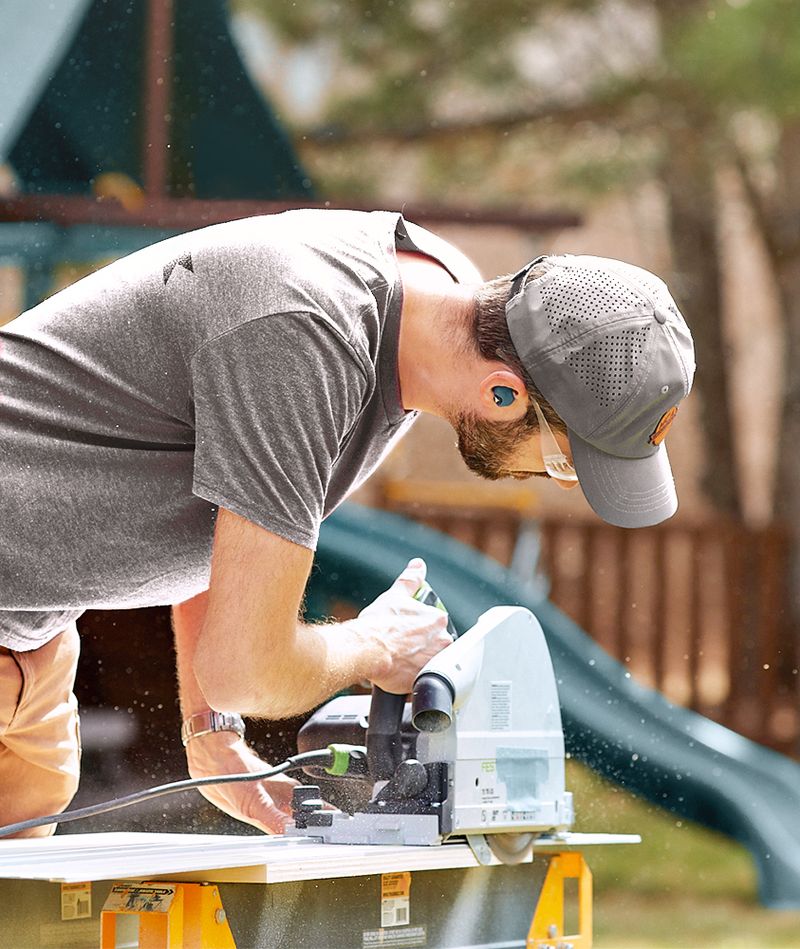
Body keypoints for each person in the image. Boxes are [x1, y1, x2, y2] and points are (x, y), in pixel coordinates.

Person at [0, 209, 695, 836]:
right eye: (563, 462)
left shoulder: (434, 305)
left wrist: (210, 725)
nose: (549, 479)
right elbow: (249, 668)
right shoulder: (302, 335)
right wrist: (377, 643)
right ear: (504, 392)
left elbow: (223, 498)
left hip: (31, 644)